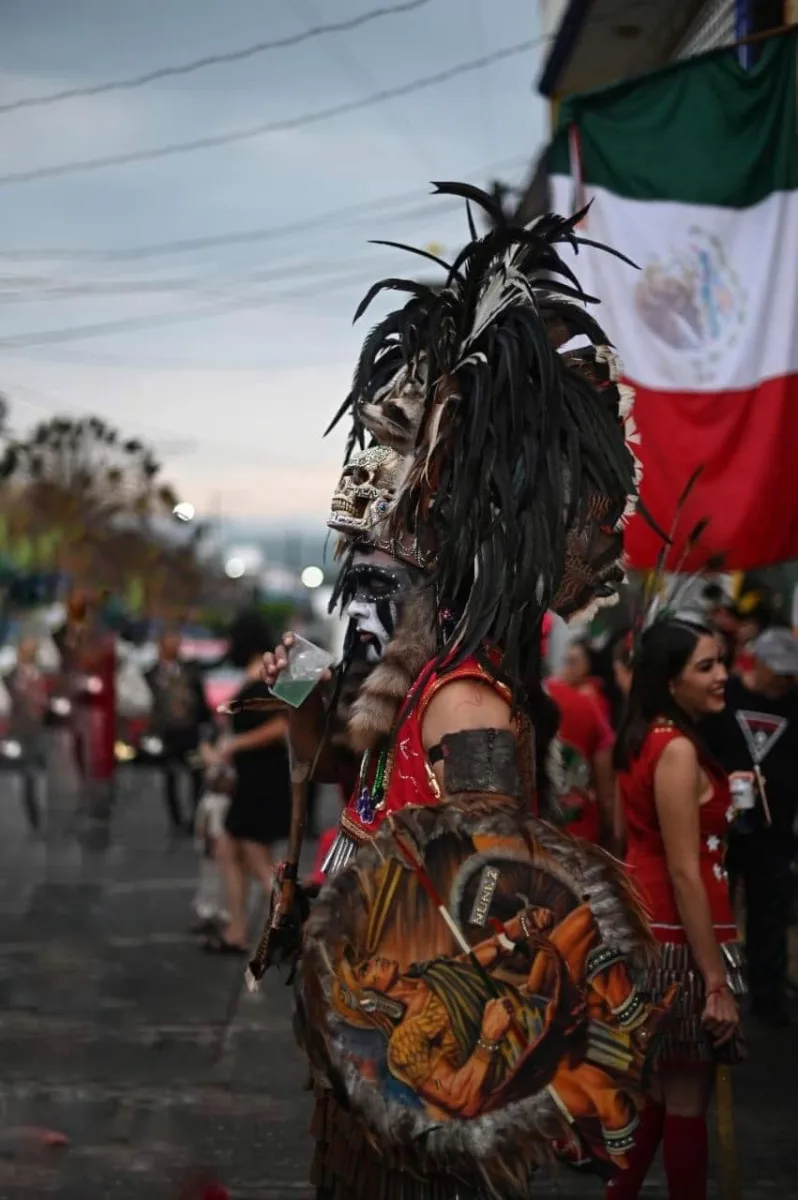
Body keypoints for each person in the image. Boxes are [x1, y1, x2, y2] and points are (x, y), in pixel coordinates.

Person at [261, 185, 672, 1200]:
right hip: (413, 1082)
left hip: (380, 1062)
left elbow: (366, 806)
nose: (612, 553)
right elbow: (495, 930)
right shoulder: (472, 703)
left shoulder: (441, 678)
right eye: (598, 523)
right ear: (529, 529)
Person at [612, 616, 747, 1200]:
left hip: (661, 931)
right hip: (680, 943)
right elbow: (684, 870)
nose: (723, 676)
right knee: (685, 1100)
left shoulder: (656, 739)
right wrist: (714, 980)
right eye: (706, 666)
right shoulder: (676, 750)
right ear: (670, 680)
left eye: (721, 662)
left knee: (663, 1097)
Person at [701, 625, 798, 1027]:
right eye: (778, 670)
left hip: (775, 833)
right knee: (716, 907)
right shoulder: (728, 699)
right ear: (757, 662)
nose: (785, 679)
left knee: (769, 914)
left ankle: (769, 997)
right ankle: (714, 987)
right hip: (726, 824)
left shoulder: (794, 703)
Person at [205, 612, 291, 955]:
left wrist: (233, 746)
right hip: (256, 780)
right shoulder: (260, 676)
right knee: (231, 850)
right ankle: (237, 929)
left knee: (255, 858)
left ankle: (289, 925)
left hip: (261, 782)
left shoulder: (261, 678)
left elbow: (279, 727)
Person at [145, 627, 213, 833]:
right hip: (166, 735)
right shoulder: (151, 674)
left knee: (196, 775)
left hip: (189, 733)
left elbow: (201, 701)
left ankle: (195, 818)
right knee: (170, 775)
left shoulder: (190, 671)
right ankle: (176, 819)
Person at [560, 637, 613, 725]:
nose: (567, 668)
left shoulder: (592, 698)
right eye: (566, 661)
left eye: (573, 662)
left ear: (588, 665)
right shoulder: (563, 689)